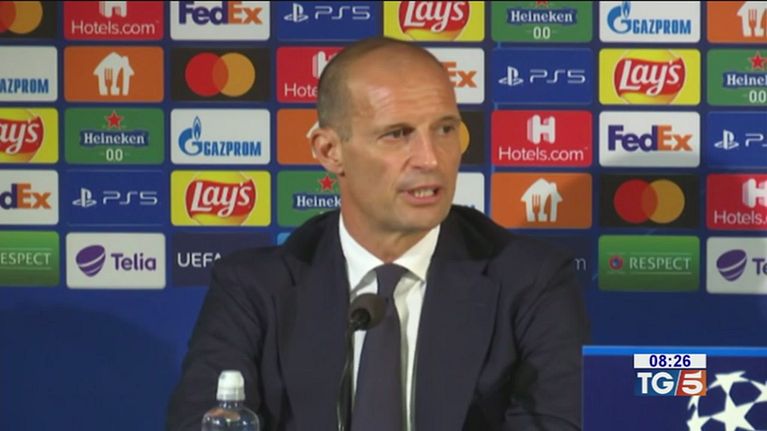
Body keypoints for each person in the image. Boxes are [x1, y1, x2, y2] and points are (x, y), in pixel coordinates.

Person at [167, 37, 589, 431]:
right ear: (330, 151)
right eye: (398, 134)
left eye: (445, 129)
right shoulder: (254, 289)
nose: (431, 159)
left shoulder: (530, 282)